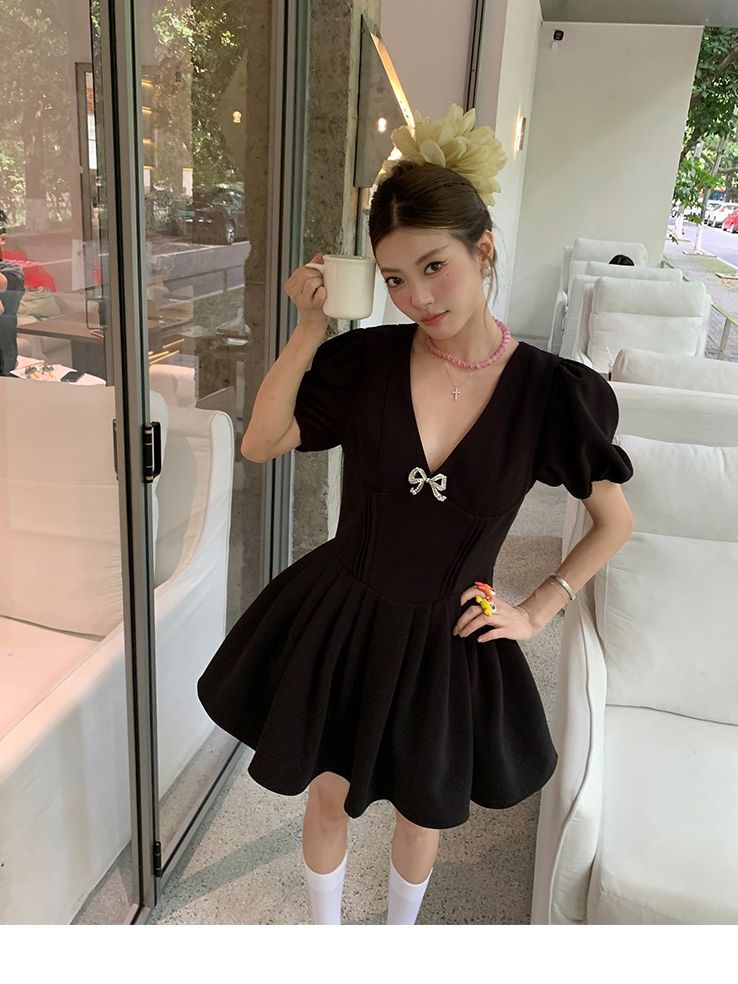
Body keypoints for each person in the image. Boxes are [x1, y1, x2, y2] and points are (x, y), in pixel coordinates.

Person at [196, 104, 634, 926]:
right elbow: (261, 442)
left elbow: (615, 520)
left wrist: (539, 609)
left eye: (435, 267)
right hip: (344, 610)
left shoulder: (549, 393)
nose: (417, 297)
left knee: (422, 807)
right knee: (328, 791)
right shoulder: (363, 362)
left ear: (483, 250)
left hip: (450, 628)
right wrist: (309, 327)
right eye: (395, 279)